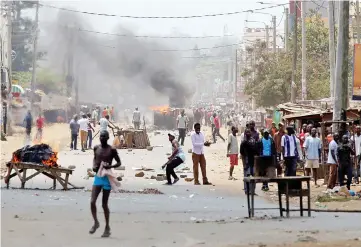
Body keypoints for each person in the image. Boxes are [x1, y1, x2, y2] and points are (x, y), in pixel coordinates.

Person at [90, 130, 121, 238]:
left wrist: (110, 167)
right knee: (92, 201)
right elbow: (94, 159)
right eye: (101, 136)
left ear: (107, 138)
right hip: (98, 176)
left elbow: (119, 162)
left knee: (104, 204)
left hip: (107, 177)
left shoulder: (112, 150)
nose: (102, 138)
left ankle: (107, 227)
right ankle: (96, 222)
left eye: (104, 136)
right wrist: (94, 166)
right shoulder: (96, 148)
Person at [240, 128, 258, 194]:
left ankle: (252, 190)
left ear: (251, 133)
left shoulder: (254, 141)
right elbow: (242, 154)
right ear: (245, 134)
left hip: (253, 160)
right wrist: (244, 164)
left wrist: (256, 163)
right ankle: (247, 190)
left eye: (249, 132)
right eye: (246, 132)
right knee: (247, 176)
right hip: (246, 160)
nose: (248, 133)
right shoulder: (243, 143)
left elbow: (256, 153)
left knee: (253, 176)